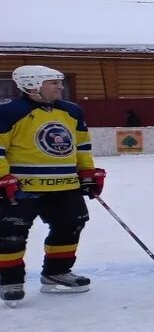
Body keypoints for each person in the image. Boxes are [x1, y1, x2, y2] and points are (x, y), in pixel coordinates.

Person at [0, 66, 103, 303]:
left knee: (71, 226)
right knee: (10, 235)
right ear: (32, 85)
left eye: (60, 82)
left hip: (65, 186)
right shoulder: (9, 112)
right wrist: (2, 178)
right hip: (22, 190)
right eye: (53, 83)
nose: (60, 87)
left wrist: (87, 172)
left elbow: (82, 146)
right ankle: (10, 280)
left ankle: (56, 273)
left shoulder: (72, 111)